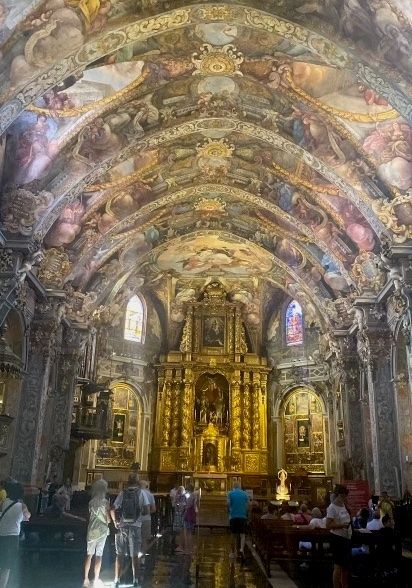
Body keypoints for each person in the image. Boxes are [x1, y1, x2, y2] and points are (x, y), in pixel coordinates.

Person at [111, 473, 150, 588]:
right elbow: (147, 510)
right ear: (138, 482)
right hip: (136, 526)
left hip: (123, 526)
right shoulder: (142, 493)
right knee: (134, 555)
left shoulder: (123, 493)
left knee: (119, 554)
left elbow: (113, 508)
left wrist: (115, 522)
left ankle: (116, 580)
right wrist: (139, 514)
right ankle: (135, 580)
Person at [0, 481, 30, 588]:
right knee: (6, 566)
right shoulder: (21, 506)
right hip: (12, 538)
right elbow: (28, 516)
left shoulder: (3, 503)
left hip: (1, 535)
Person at [83, 479, 110, 588]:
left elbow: (89, 516)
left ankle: (85, 578)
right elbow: (108, 519)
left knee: (89, 555)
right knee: (99, 555)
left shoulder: (91, 502)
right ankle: (96, 579)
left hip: (92, 530)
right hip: (102, 530)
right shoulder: (105, 502)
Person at [326, 484, 351, 588]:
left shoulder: (343, 504)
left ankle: (344, 585)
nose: (346, 498)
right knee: (338, 566)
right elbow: (328, 525)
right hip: (337, 538)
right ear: (340, 495)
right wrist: (342, 525)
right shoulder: (332, 508)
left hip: (346, 537)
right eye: (345, 496)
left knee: (345, 565)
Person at [227, 482, 249, 559]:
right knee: (242, 534)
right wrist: (245, 513)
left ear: (233, 487)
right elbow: (247, 506)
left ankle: (232, 552)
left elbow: (229, 504)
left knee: (233, 535)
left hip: (233, 516)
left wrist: (230, 511)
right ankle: (241, 549)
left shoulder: (230, 493)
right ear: (240, 487)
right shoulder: (245, 494)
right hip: (242, 516)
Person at [139, 480, 156, 563]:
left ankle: (134, 558)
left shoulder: (136, 493)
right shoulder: (150, 495)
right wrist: (147, 513)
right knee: (144, 539)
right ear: (147, 486)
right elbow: (153, 509)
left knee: (135, 539)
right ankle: (142, 557)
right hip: (146, 519)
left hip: (136, 520)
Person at [182, 485, 199, 554]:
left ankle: (187, 549)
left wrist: (183, 506)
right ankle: (190, 549)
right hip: (192, 514)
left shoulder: (190, 496)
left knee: (187, 533)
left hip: (188, 514)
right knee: (190, 533)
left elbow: (188, 505)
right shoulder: (195, 495)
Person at [173, 486, 187, 552]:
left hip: (181, 516)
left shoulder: (183, 497)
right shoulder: (182, 496)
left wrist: (177, 503)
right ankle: (181, 546)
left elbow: (181, 506)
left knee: (182, 531)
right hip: (181, 515)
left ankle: (182, 546)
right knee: (181, 531)